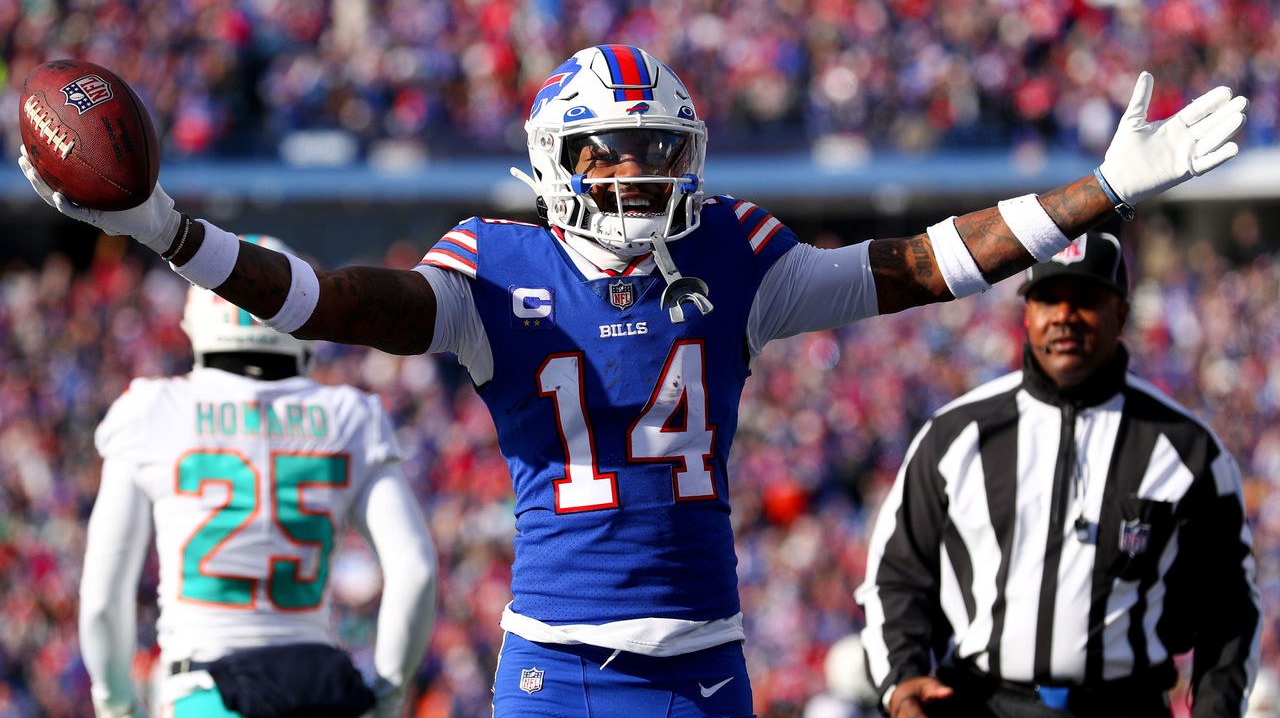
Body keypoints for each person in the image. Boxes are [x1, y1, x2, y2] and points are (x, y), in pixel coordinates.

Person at [25, 45, 1248, 716]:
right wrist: (171, 230)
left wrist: (1100, 193)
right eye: (612, 154)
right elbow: (330, 302)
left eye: (660, 153)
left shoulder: (734, 252)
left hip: (708, 661)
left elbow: (920, 264)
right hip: (558, 665)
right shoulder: (491, 269)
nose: (639, 176)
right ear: (558, 163)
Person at [855, 231, 1261, 718]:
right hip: (984, 704)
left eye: (1085, 299)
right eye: (1049, 299)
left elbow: (1230, 609)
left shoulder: (1186, 447)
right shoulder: (956, 435)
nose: (1064, 316)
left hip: (1124, 704)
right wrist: (901, 682)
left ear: (1122, 315)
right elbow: (897, 575)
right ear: (1028, 315)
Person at [77, 236, 438, 718]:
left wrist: (115, 703)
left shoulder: (152, 410)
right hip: (321, 689)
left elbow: (103, 596)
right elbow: (415, 570)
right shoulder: (349, 414)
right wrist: (389, 697)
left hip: (203, 692)